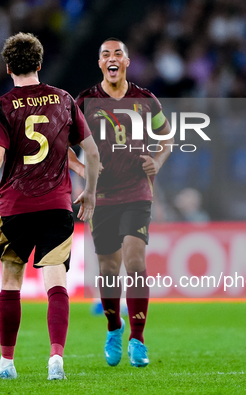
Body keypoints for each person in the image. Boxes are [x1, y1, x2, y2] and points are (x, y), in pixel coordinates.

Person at [0, 33, 99, 380]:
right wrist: (89, 189)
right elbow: (91, 152)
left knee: (11, 280)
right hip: (58, 205)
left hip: (16, 205)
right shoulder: (63, 99)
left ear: (8, 67)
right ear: (40, 64)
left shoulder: (2, 105)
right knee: (56, 280)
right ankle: (56, 358)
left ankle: (8, 363)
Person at [69, 38, 173, 368]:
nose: (112, 59)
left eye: (117, 54)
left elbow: (167, 137)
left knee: (135, 261)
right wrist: (81, 169)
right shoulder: (84, 101)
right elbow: (63, 145)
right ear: (100, 63)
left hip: (137, 192)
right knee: (109, 269)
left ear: (126, 61)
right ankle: (114, 328)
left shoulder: (145, 100)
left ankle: (138, 339)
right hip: (101, 196)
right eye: (105, 54)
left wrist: (157, 162)